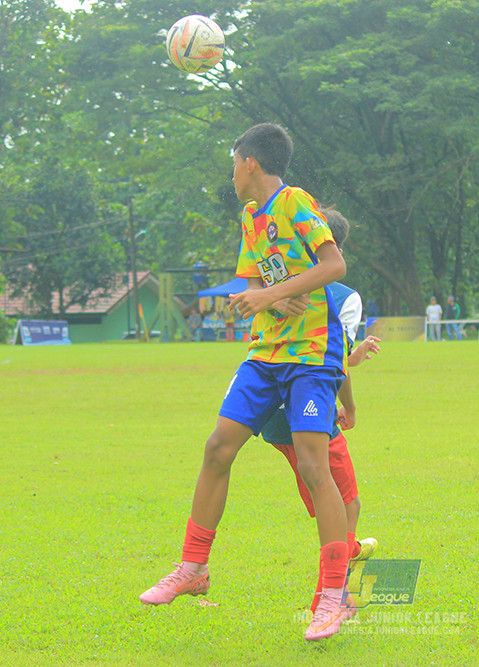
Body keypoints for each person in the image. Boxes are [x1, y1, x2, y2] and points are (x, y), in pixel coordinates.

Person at [138, 122, 352, 641]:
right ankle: (193, 567)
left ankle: (333, 596)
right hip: (266, 353)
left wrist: (280, 292)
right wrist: (268, 294)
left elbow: (334, 263)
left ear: (250, 162)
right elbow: (255, 279)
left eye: (233, 163)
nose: (231, 173)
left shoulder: (294, 201)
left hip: (311, 357)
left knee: (311, 465)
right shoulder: (250, 216)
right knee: (217, 448)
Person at [259, 208, 381, 621]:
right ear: (335, 249)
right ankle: (332, 596)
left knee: (326, 498)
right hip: (309, 415)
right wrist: (351, 404)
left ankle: (350, 554)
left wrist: (353, 356)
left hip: (269, 415)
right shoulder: (344, 295)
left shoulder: (274, 286)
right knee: (345, 503)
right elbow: (334, 362)